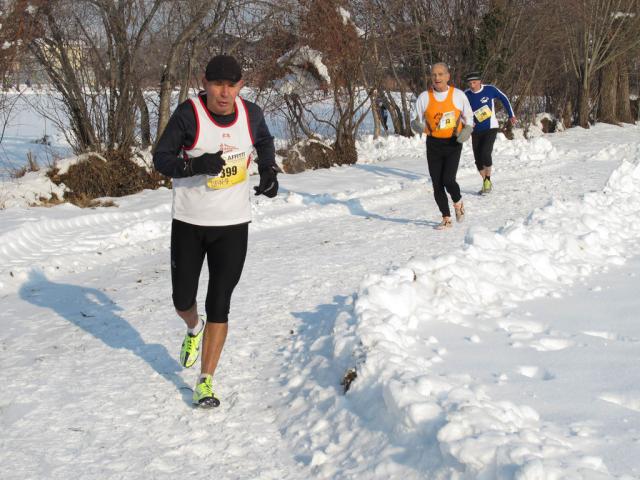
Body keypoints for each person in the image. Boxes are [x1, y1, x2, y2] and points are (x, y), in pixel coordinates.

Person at [153, 54, 278, 408]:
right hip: (190, 223)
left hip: (233, 225)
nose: (224, 93)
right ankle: (194, 328)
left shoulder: (251, 113)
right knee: (182, 300)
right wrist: (194, 165)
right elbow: (160, 158)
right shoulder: (188, 114)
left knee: (220, 301)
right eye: (217, 84)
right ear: (204, 83)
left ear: (241, 85)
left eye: (232, 85)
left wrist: (269, 171)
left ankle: (205, 380)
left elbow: (264, 141)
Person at [414, 62, 474, 230]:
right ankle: (446, 218)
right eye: (434, 75)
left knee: (448, 179)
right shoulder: (424, 97)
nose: (437, 78)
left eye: (440, 74)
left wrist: (467, 130)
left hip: (453, 142)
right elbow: (415, 119)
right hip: (433, 143)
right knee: (437, 184)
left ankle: (458, 202)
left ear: (448, 76)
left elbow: (469, 117)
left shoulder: (459, 95)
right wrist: (417, 125)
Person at [463, 71, 516, 194]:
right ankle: (486, 182)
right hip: (475, 130)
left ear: (480, 81)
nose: (472, 85)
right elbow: (460, 111)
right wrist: (467, 121)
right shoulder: (466, 94)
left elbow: (504, 98)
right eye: (470, 83)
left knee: (486, 153)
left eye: (474, 82)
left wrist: (511, 114)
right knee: (478, 160)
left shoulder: (490, 89)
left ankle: (487, 180)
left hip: (490, 128)